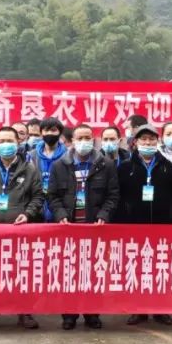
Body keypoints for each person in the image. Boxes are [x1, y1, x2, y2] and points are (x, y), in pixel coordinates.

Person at [0, 126, 45, 332]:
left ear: (18, 143)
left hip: (20, 231)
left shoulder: (29, 169)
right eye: (2, 141)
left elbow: (38, 196)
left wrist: (28, 213)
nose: (6, 145)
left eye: (10, 141)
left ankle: (25, 311)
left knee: (22, 272)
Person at [47, 123, 120, 330]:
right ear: (71, 141)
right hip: (68, 229)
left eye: (88, 138)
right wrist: (60, 215)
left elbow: (113, 195)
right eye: (80, 138)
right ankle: (69, 315)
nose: (84, 142)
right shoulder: (59, 165)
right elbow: (52, 196)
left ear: (93, 140)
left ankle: (92, 313)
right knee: (69, 272)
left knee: (94, 272)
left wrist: (104, 215)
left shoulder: (106, 164)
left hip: (94, 228)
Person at [116, 124, 172, 325]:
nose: (148, 143)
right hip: (133, 226)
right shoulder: (125, 168)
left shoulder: (168, 168)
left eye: (151, 139)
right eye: (143, 139)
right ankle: (138, 309)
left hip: (162, 227)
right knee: (137, 268)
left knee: (160, 268)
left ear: (157, 141)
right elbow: (118, 198)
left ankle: (160, 309)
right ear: (135, 142)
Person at [29, 117, 68, 221]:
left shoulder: (68, 155)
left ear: (60, 133)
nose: (50, 133)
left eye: (53, 130)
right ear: (41, 133)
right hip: (37, 206)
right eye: (46, 130)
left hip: (61, 206)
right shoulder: (31, 156)